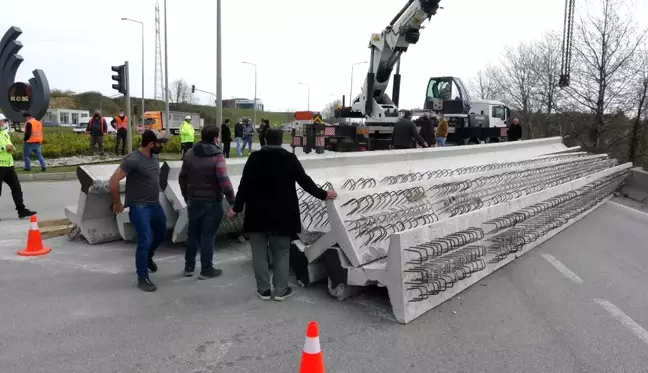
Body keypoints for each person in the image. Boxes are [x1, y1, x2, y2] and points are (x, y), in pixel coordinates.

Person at [227, 128, 337, 300]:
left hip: (256, 215)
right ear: (281, 141)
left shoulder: (254, 158)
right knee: (281, 253)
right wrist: (324, 194)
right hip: (282, 216)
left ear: (264, 140)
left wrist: (236, 208)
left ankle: (263, 290)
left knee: (259, 254)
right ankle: (280, 290)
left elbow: (244, 186)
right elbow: (304, 181)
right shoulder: (289, 158)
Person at [109, 130, 169, 292]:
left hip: (155, 205)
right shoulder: (133, 160)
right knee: (145, 240)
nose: (161, 146)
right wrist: (117, 203)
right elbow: (113, 181)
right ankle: (142, 277)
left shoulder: (155, 156)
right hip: (139, 207)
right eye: (159, 143)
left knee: (162, 233)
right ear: (150, 144)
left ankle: (148, 257)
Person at [178, 125, 236, 279]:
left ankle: (189, 267)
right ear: (215, 138)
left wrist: (186, 196)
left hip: (194, 201)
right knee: (207, 236)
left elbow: (182, 177)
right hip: (212, 202)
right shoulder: (218, 156)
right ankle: (206, 270)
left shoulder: (190, 153)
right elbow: (224, 181)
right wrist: (232, 201)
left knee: (192, 234)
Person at [0, 113, 36, 221]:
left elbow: (9, 144)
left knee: (17, 188)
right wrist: (4, 148)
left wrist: (12, 148)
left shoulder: (4, 133)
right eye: (2, 121)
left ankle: (21, 210)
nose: (4, 123)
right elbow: (4, 147)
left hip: (8, 165)